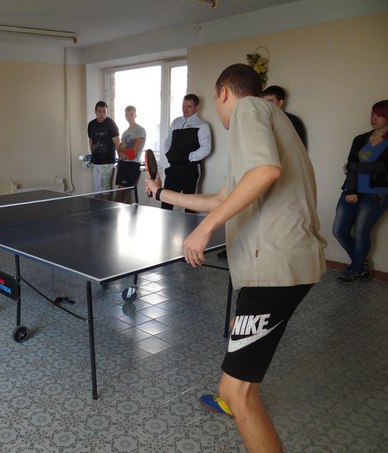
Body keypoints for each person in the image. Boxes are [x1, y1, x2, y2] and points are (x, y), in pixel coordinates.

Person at [146, 64, 326, 453]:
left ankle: (237, 397)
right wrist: (161, 194)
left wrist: (205, 229)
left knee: (237, 392)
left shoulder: (250, 108)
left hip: (273, 269)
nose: (219, 110)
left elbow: (266, 171)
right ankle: (237, 392)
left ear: (224, 93)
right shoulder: (272, 122)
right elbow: (221, 198)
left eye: (216, 101)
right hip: (285, 266)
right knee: (236, 362)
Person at [332, 99, 388, 282]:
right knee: (339, 231)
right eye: (373, 114)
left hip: (377, 195)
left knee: (361, 233)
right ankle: (361, 264)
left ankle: (355, 269)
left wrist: (352, 166)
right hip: (352, 190)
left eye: (380, 115)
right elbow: (351, 166)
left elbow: (382, 168)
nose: (374, 118)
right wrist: (351, 190)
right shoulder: (360, 139)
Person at [161, 94, 211, 210]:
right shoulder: (176, 122)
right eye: (183, 106)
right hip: (173, 168)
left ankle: (190, 222)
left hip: (190, 169)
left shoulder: (202, 125)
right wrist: (169, 154)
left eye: (189, 106)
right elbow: (168, 141)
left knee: (190, 204)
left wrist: (189, 157)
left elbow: (206, 148)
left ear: (196, 107)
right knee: (166, 202)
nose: (185, 109)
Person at [115, 105, 146, 203]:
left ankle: (117, 211)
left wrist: (124, 151)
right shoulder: (125, 133)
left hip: (132, 165)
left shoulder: (140, 130)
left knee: (122, 192)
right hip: (122, 164)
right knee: (123, 192)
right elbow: (119, 152)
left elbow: (133, 153)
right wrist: (123, 152)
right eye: (127, 115)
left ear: (135, 115)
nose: (129, 116)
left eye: (131, 114)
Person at [87, 101, 120, 192]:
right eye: (99, 111)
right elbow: (91, 139)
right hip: (95, 162)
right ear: (95, 111)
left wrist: (121, 160)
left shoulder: (111, 124)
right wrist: (92, 152)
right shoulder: (91, 124)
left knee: (105, 190)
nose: (102, 114)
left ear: (107, 112)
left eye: (104, 112)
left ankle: (106, 201)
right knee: (95, 189)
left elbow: (117, 143)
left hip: (107, 162)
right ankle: (96, 202)